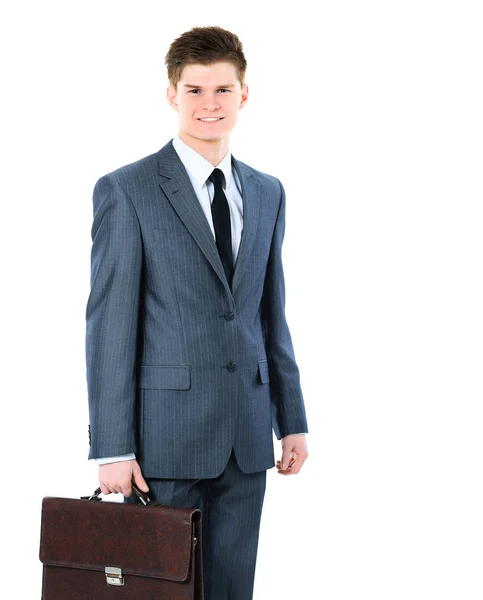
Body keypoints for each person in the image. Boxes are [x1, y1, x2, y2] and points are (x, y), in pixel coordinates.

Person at [85, 25, 309, 600]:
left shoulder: (267, 192)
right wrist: (113, 446)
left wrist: (293, 418)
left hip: (247, 435)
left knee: (233, 589)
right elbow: (110, 326)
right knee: (164, 591)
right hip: (164, 440)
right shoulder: (127, 189)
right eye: (194, 91)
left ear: (244, 95)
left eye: (222, 91)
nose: (209, 105)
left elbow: (269, 314)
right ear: (171, 95)